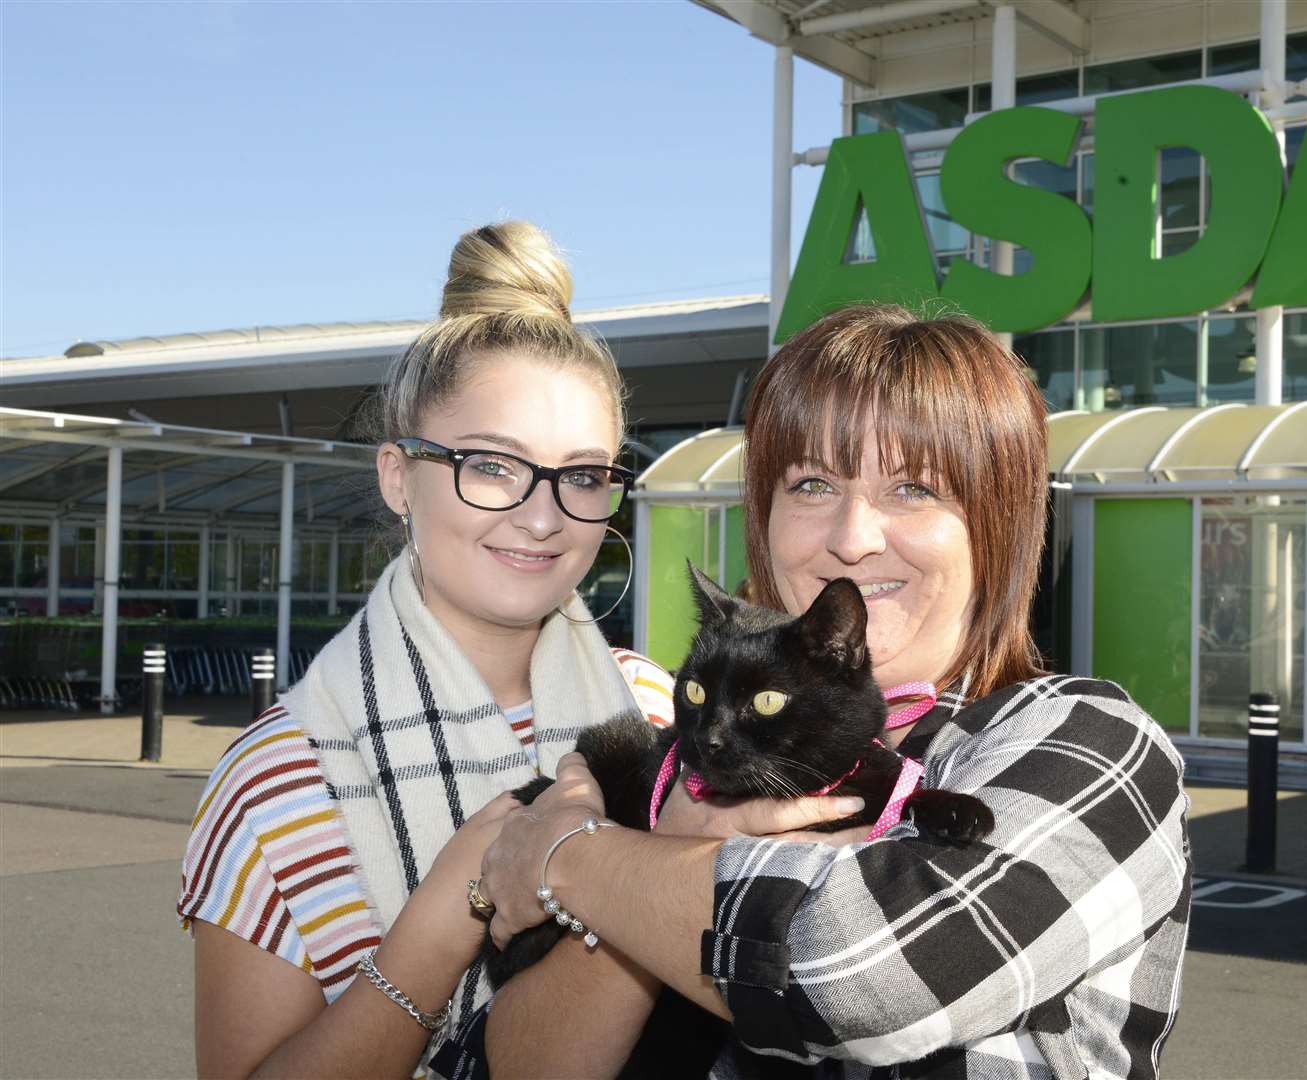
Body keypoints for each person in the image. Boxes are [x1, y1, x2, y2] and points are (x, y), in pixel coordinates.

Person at [479, 305, 1192, 1079]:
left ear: (998, 524)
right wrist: (653, 859)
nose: (853, 538)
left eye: (914, 489)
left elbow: (862, 983)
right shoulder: (715, 748)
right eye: (812, 483)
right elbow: (522, 1066)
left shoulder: (1086, 740)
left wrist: (574, 861)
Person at [176, 220, 684, 1079]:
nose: (544, 514)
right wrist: (438, 929)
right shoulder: (274, 781)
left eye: (585, 475)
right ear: (396, 476)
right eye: (491, 464)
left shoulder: (658, 707)